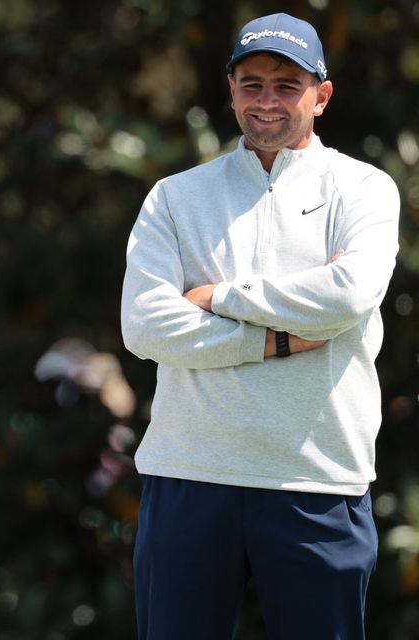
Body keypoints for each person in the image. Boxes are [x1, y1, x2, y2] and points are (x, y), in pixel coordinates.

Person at [120, 13, 399, 639]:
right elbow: (145, 325)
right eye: (252, 84)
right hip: (189, 473)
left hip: (318, 478)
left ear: (321, 96)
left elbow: (348, 295)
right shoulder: (174, 196)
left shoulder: (365, 189)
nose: (267, 101)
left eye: (286, 84)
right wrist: (273, 338)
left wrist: (218, 295)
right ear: (230, 90)